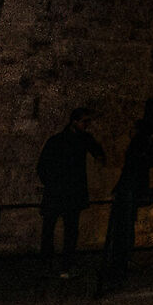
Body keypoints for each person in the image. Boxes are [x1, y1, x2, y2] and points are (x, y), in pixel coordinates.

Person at [34, 107, 103, 278]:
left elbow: (98, 152)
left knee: (69, 230)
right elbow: (42, 166)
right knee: (51, 229)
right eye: (84, 122)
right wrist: (52, 183)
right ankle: (48, 263)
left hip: (67, 193)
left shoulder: (82, 139)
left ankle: (64, 265)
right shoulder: (57, 141)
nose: (87, 125)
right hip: (59, 192)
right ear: (74, 122)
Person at [100, 124, 153, 290]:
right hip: (129, 193)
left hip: (128, 193)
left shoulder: (139, 147)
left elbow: (132, 171)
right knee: (124, 230)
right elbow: (136, 171)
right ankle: (120, 266)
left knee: (123, 230)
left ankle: (119, 267)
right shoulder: (142, 148)